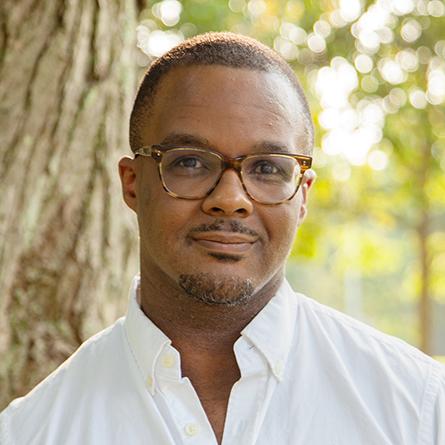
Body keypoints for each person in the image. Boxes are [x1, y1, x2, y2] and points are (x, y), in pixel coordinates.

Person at [0, 32, 443, 445]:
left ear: (302, 196)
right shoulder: (30, 431)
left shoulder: (421, 410)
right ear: (133, 184)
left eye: (268, 167)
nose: (230, 199)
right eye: (191, 162)